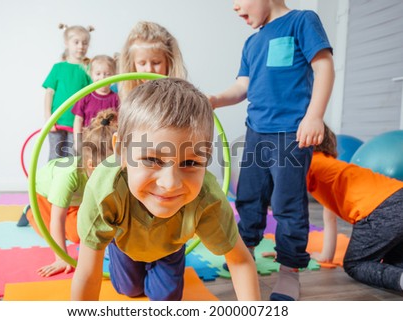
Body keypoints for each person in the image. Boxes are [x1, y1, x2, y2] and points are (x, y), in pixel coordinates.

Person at [71, 78, 261, 301]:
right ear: (121, 151)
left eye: (190, 163)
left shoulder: (208, 199)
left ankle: (163, 263)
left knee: (166, 299)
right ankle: (120, 255)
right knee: (129, 290)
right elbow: (87, 273)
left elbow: (240, 261)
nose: (170, 184)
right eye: (152, 159)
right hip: (125, 241)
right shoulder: (105, 190)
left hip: (170, 246)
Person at [207, 0, 335, 301]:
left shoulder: (302, 21)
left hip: (291, 133)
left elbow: (324, 67)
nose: (235, 8)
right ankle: (245, 254)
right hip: (256, 133)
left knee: (286, 204)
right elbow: (242, 87)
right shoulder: (252, 43)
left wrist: (314, 115)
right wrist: (215, 99)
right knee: (249, 198)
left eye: (238, 0)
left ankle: (290, 271)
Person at [20, 109, 117, 277]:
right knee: (73, 233)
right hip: (45, 196)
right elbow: (57, 220)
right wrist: (61, 258)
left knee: (93, 229)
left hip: (76, 199)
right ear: (92, 166)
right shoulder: (69, 175)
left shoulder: (104, 171)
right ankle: (30, 211)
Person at [307, 124, 403, 293]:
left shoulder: (310, 163)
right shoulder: (334, 171)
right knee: (392, 266)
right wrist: (325, 256)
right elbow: (329, 220)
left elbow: (288, 205)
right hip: (397, 196)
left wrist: (289, 253)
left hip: (381, 210)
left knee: (355, 264)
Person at [43, 24, 94, 161]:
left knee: (73, 158)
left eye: (85, 43)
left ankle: (71, 183)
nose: (80, 46)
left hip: (77, 124)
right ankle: (52, 182)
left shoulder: (89, 69)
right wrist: (48, 119)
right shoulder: (58, 68)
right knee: (55, 156)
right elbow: (49, 94)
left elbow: (92, 96)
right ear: (67, 43)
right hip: (57, 121)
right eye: (76, 42)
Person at [117, 21, 187, 101]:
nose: (149, 69)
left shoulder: (180, 97)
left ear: (168, 62)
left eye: (156, 62)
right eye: (142, 63)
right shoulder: (131, 99)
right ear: (133, 65)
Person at [72, 55, 119, 150]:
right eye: (98, 74)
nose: (102, 77)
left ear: (113, 74)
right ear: (91, 74)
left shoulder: (117, 98)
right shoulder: (84, 96)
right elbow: (78, 120)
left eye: (107, 74)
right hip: (88, 142)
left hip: (109, 144)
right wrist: (77, 141)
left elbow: (120, 121)